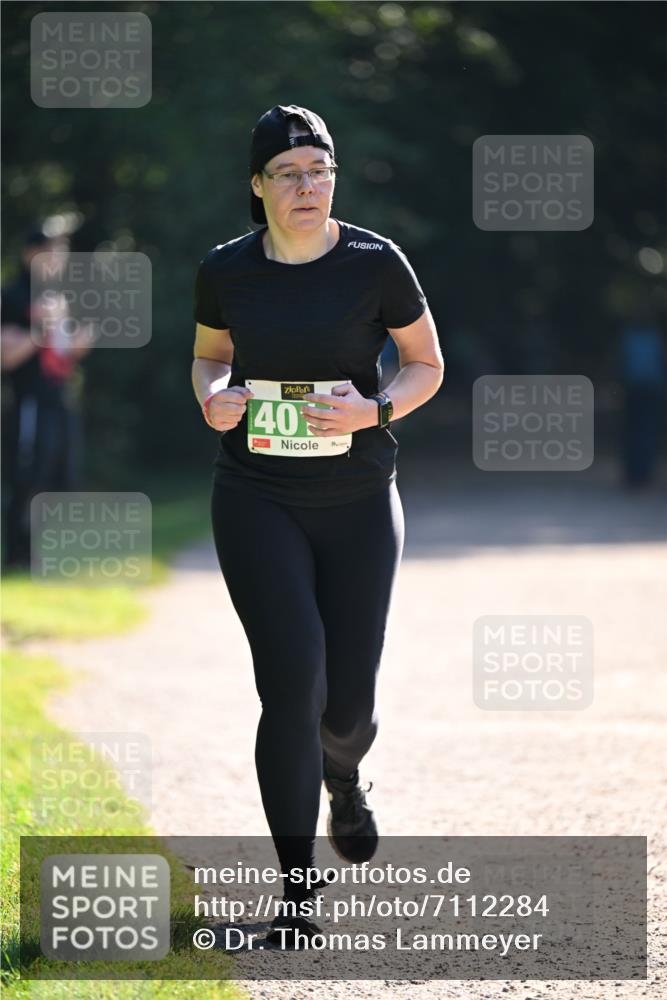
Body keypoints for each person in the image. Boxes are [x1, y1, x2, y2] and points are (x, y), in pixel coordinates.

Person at [191, 104, 444, 947]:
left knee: (348, 710)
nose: (308, 185)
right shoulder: (227, 269)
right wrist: (212, 396)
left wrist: (372, 411)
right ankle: (296, 899)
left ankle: (346, 775)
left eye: (319, 169)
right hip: (257, 497)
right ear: (257, 186)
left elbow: (425, 365)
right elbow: (209, 354)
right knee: (290, 685)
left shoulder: (375, 262)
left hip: (359, 501)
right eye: (289, 172)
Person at [1, 228, 91, 569]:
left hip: (60, 398)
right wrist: (43, 329)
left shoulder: (62, 296)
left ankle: (55, 556)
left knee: (64, 475)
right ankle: (19, 557)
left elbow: (68, 352)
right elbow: (6, 356)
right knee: (28, 476)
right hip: (29, 401)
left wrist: (85, 332)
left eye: (62, 252)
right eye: (53, 251)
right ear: (31, 253)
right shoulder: (12, 296)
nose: (59, 259)